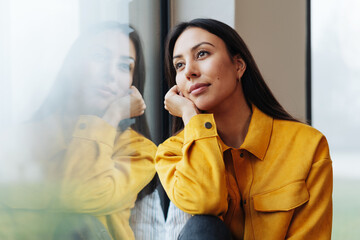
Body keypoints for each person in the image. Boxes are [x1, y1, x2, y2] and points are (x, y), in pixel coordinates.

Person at [155, 18, 333, 240]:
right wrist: (191, 118)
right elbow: (205, 201)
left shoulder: (308, 145)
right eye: (179, 65)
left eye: (202, 54)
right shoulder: (171, 153)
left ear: (238, 65)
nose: (189, 71)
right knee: (203, 228)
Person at [0, 22, 157, 240]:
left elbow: (83, 196)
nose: (110, 74)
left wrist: (111, 117)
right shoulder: (19, 139)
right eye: (100, 57)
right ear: (73, 65)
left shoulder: (139, 150)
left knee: (79, 221)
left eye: (124, 66)